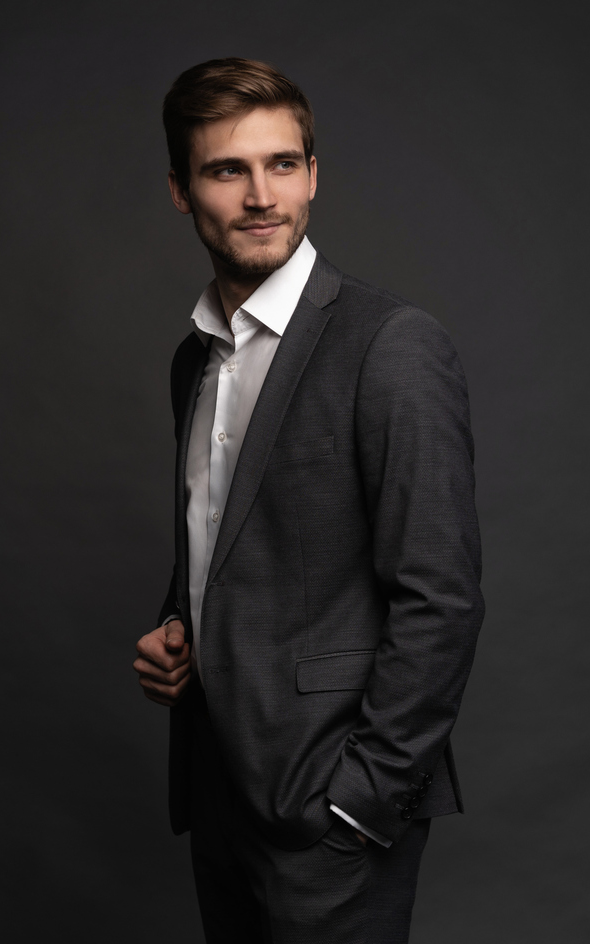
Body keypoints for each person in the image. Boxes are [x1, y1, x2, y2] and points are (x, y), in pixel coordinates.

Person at [133, 57, 484, 943]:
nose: (261, 196)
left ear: (313, 175)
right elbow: (228, 541)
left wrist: (362, 801)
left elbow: (439, 598)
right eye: (227, 169)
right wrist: (177, 627)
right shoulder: (195, 360)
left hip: (331, 812)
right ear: (180, 190)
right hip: (218, 794)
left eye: (282, 164)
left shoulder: (390, 346)